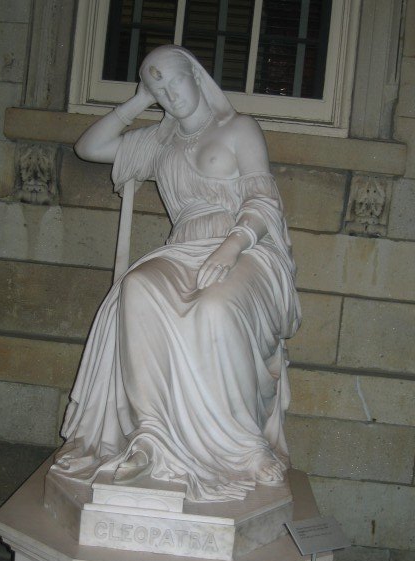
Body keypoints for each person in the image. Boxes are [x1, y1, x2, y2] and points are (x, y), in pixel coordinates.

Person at [49, 45, 301, 502]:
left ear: (197, 76)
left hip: (246, 245)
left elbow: (265, 201)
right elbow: (90, 147)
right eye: (158, 87)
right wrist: (139, 100)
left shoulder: (239, 128)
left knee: (216, 308)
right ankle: (151, 435)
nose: (170, 93)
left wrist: (232, 245)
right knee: (137, 287)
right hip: (183, 249)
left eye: (174, 80)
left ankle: (245, 448)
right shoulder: (159, 142)